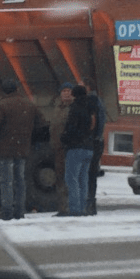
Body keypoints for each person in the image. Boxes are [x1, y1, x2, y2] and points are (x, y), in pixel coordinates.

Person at [0, 79, 47, 221]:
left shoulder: (2, 105)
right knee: (20, 181)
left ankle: (7, 212)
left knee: (6, 181)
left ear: (4, 91)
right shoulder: (29, 105)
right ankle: (19, 211)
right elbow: (41, 123)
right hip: (22, 148)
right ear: (17, 89)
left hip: (4, 149)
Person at [59, 84, 98, 217]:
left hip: (76, 147)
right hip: (89, 147)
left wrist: (64, 139)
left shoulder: (75, 108)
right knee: (83, 179)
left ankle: (74, 209)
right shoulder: (91, 107)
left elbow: (71, 128)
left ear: (74, 95)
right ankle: (82, 207)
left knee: (71, 179)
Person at [48, 82, 74, 215]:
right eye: (64, 91)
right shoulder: (57, 108)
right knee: (60, 178)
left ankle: (71, 207)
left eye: (69, 90)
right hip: (57, 148)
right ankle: (62, 207)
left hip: (68, 149)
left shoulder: (73, 108)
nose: (66, 93)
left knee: (69, 178)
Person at [83, 78, 107, 215]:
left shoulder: (92, 101)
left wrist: (94, 137)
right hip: (96, 141)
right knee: (90, 174)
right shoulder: (97, 101)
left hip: (93, 142)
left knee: (88, 174)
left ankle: (89, 204)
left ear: (87, 87)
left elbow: (98, 121)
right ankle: (90, 204)